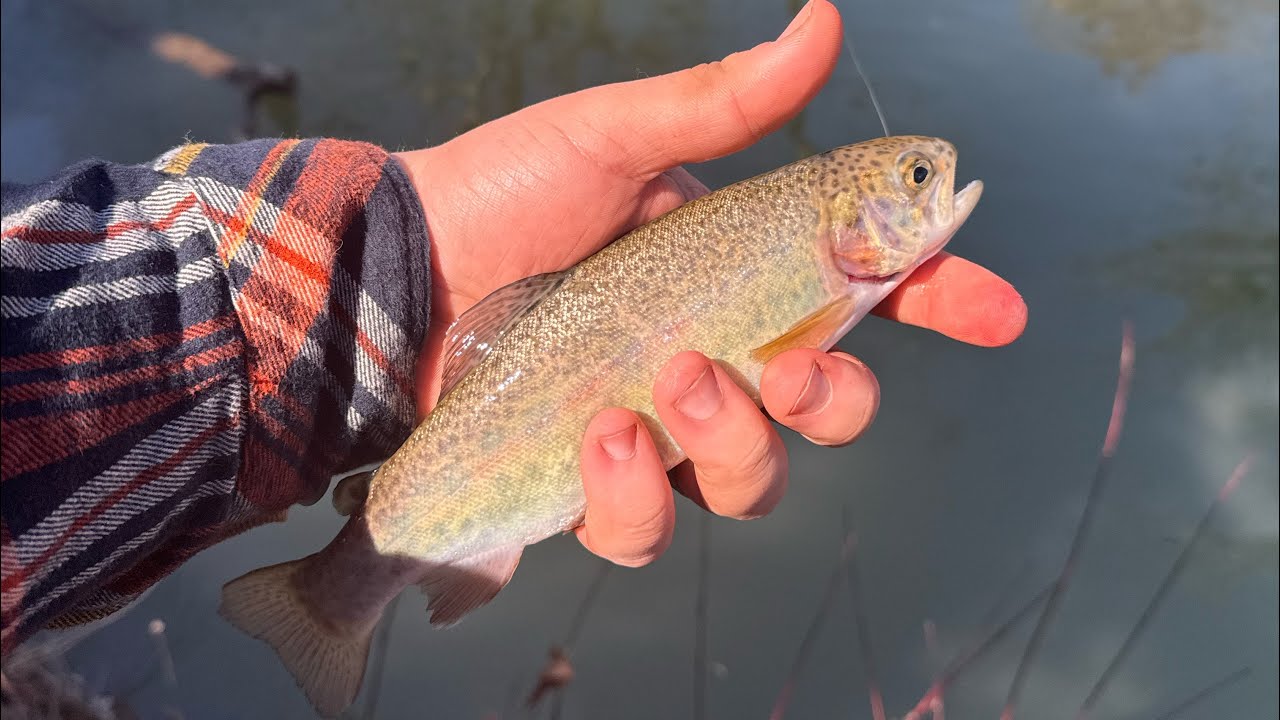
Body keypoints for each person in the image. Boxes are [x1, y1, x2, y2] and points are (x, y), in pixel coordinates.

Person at [0, 0, 1025, 656]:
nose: (929, 180)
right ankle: (335, 596)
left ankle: (361, 579)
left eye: (918, 175)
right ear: (860, 218)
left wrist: (400, 265)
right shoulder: (825, 265)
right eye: (914, 180)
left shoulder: (826, 253)